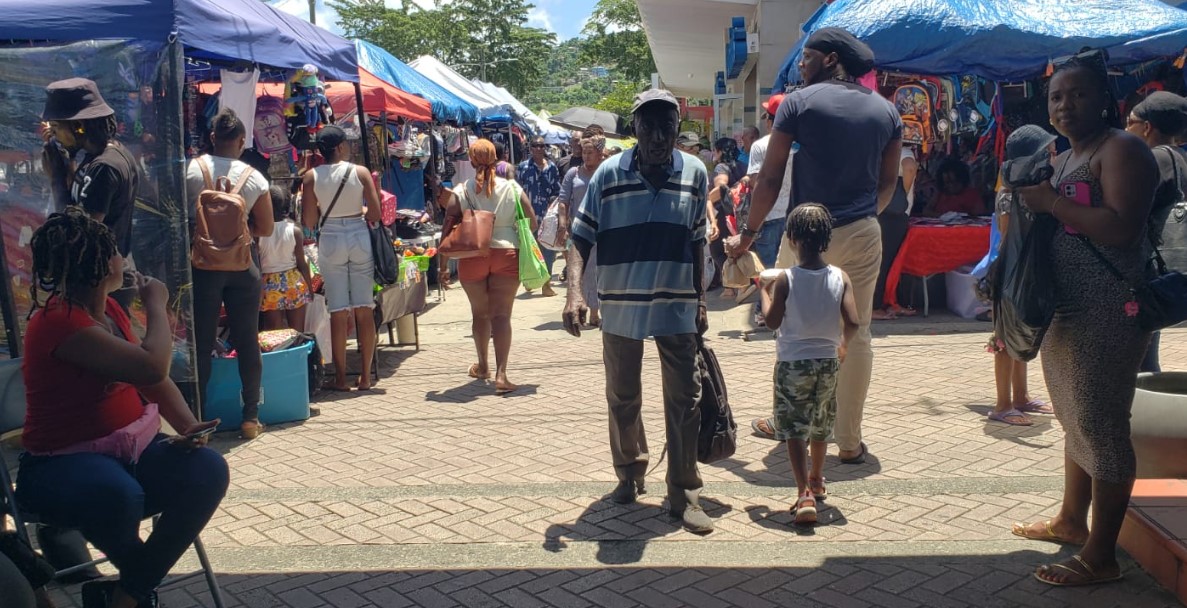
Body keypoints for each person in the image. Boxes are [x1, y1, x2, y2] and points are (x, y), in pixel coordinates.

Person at [16, 208, 228, 608]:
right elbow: (152, 364)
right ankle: (135, 594)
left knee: (207, 471)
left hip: (126, 452)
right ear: (95, 265)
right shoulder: (58, 322)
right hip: (59, 465)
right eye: (113, 250)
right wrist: (156, 303)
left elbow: (149, 379)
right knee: (120, 494)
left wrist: (188, 426)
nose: (122, 257)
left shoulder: (108, 311)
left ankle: (125, 594)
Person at [1011, 49, 1158, 587]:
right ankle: (1072, 520)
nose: (1065, 104)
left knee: (1101, 424)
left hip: (1109, 307)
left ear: (1104, 100)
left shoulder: (1122, 150)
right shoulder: (1066, 153)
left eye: (1078, 94)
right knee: (1073, 416)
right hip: (1065, 307)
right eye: (1056, 97)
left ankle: (1102, 555)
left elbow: (1120, 228)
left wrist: (1051, 204)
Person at [727, 27, 902, 465]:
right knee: (855, 332)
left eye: (806, 57)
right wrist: (862, 215)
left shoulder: (798, 104)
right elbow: (888, 185)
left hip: (804, 234)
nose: (800, 66)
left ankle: (787, 422)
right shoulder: (887, 112)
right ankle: (848, 441)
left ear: (829, 58)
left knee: (792, 331)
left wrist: (747, 234)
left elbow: (769, 178)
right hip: (862, 230)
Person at [564, 89, 714, 534]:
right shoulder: (608, 175)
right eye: (648, 126)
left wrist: (701, 297)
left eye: (667, 126)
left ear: (677, 128)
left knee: (685, 398)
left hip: (676, 301)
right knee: (623, 395)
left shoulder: (695, 172)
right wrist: (574, 293)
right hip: (621, 303)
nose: (658, 136)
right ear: (634, 131)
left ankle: (684, 491)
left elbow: (697, 238)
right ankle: (630, 474)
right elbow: (579, 238)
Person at [760, 204, 859, 525]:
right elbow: (854, 321)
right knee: (820, 423)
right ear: (826, 239)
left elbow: (772, 321)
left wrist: (764, 291)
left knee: (793, 428)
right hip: (828, 364)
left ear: (791, 240)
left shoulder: (787, 279)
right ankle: (817, 478)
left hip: (792, 364)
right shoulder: (840, 277)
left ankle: (803, 492)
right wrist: (842, 345)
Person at [185, 109, 273, 439]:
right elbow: (265, 226)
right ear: (240, 141)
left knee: (202, 343)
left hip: (202, 265)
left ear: (211, 138)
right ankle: (250, 417)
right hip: (242, 266)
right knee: (247, 340)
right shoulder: (254, 177)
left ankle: (198, 422)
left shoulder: (191, 170)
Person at [439, 139, 528, 395]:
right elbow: (531, 220)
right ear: (497, 158)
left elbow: (448, 227)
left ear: (470, 160)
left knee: (480, 314)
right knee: (502, 316)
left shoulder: (461, 190)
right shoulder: (511, 187)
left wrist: (443, 265)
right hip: (506, 252)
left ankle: (483, 365)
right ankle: (502, 374)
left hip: (472, 255)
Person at [985, 126, 1059, 426]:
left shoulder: (1040, 187)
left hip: (1027, 273)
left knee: (1023, 332)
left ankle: (1021, 397)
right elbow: (1007, 241)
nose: (1053, 158)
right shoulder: (1009, 193)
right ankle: (1003, 405)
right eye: (1048, 153)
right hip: (1011, 274)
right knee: (1004, 338)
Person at [301, 125, 382, 393]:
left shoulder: (310, 176)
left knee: (337, 310)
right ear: (339, 147)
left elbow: (309, 221)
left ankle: (339, 379)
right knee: (364, 307)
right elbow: (375, 214)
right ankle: (366, 378)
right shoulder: (359, 172)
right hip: (358, 234)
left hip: (331, 237)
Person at [41, 78, 140, 260]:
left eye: (55, 126)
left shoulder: (104, 166)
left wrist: (56, 179)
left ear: (78, 126)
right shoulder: (96, 155)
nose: (52, 134)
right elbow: (76, 201)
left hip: (105, 279)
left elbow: (80, 234)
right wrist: (68, 158)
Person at [1125, 90, 1187, 373]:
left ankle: (1142, 412)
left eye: (1130, 122)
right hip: (1165, 270)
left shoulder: (1153, 160)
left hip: (1146, 268)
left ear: (1147, 127)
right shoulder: (1179, 158)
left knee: (1136, 352)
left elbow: (1129, 215)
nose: (1126, 130)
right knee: (1145, 348)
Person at [743, 94, 795, 324]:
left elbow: (756, 180)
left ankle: (765, 311)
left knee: (767, 268)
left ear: (769, 120)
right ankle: (782, 311)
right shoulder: (800, 146)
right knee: (790, 266)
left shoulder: (760, 146)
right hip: (793, 214)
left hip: (768, 215)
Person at [557, 134, 607, 327]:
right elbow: (563, 201)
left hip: (602, 229)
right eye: (584, 152)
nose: (586, 156)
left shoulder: (604, 173)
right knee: (582, 270)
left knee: (598, 270)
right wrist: (563, 225)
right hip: (579, 230)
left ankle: (596, 311)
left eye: (590, 152)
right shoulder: (573, 174)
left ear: (599, 154)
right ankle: (583, 306)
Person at [871, 145, 920, 320]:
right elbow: (909, 167)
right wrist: (904, 193)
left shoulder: (878, 149)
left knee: (881, 259)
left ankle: (885, 303)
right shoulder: (902, 150)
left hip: (880, 210)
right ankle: (874, 306)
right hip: (894, 215)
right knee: (885, 261)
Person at [259, 184, 314, 331]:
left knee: (274, 334)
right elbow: (302, 264)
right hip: (293, 281)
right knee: (297, 331)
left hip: (269, 284)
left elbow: (257, 265)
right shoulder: (294, 231)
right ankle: (298, 353)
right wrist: (309, 288)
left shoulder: (259, 232)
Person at [517, 135, 562, 295]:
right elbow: (517, 191)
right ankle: (530, 280)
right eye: (536, 146)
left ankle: (546, 284)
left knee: (548, 251)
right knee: (529, 249)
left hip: (547, 216)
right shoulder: (523, 167)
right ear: (530, 148)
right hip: (528, 216)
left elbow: (557, 191)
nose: (539, 149)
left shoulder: (552, 168)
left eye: (542, 146)